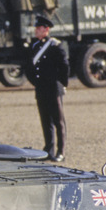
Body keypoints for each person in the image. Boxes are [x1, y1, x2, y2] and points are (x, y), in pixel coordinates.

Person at [25, 16, 69, 162]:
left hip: (54, 88)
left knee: (58, 121)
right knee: (45, 121)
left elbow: (63, 66)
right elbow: (29, 67)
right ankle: (48, 150)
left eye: (39, 28)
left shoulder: (55, 45)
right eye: (36, 28)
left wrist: (62, 84)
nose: (36, 30)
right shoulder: (34, 46)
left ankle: (61, 151)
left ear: (46, 30)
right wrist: (36, 83)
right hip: (41, 88)